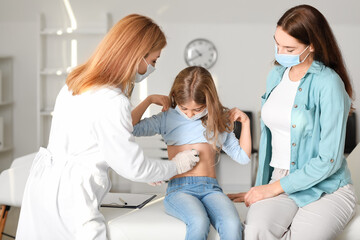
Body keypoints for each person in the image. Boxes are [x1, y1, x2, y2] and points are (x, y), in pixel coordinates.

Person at [16, 14, 200, 240]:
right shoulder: (112, 101)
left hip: (43, 187)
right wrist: (175, 166)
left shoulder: (79, 82)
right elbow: (133, 167)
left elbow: (112, 128)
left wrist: (147, 100)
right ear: (136, 56)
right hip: (72, 198)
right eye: (153, 61)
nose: (153, 67)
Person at [228, 4, 357, 240]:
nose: (280, 52)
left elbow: (328, 160)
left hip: (327, 187)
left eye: (289, 48)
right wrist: (260, 187)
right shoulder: (275, 75)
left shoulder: (329, 83)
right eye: (277, 44)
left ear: (312, 45)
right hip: (278, 178)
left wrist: (272, 189)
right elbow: (270, 141)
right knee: (256, 230)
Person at [132, 66, 252, 240]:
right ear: (175, 99)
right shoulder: (166, 118)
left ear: (208, 102)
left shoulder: (218, 119)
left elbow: (243, 157)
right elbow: (130, 127)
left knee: (232, 224)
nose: (189, 115)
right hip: (180, 190)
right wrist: (149, 100)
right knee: (198, 220)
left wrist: (246, 123)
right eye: (184, 108)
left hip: (211, 189)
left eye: (196, 110)